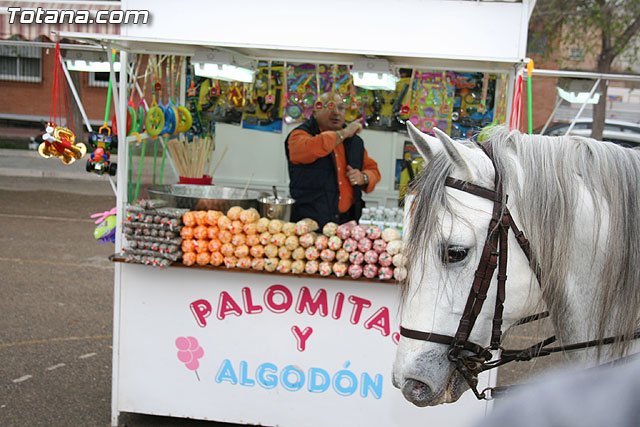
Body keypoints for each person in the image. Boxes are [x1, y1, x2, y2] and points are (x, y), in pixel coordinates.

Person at [285, 92, 381, 226]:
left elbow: (373, 170)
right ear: (314, 112)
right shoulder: (299, 135)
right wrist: (344, 133)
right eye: (329, 107)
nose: (336, 113)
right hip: (309, 225)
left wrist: (363, 177)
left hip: (347, 222)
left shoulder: (354, 142)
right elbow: (312, 148)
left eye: (341, 108)